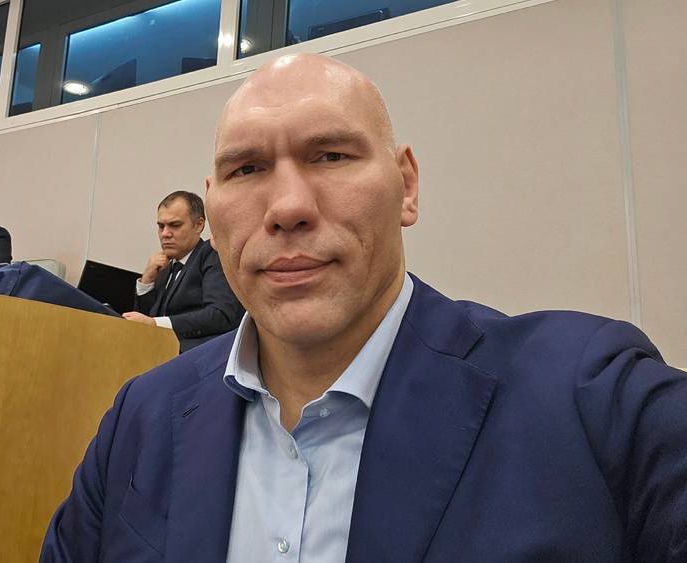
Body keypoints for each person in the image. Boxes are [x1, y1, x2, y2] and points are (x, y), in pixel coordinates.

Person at [41, 54, 687, 562]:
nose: (287, 206)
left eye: (330, 155)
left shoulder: (594, 398)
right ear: (215, 208)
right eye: (247, 169)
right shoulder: (140, 417)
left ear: (406, 185)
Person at [122, 190, 244, 352]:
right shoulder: (165, 265)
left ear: (198, 225)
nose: (165, 234)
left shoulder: (212, 254)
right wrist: (146, 282)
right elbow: (142, 323)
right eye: (161, 226)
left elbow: (220, 314)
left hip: (193, 356)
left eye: (175, 225)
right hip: (154, 352)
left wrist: (156, 324)